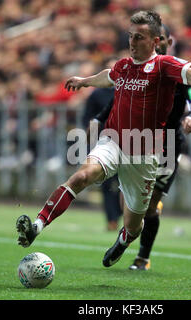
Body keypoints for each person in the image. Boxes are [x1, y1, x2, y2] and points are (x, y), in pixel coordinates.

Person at [15, 10, 191, 268]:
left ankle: (124, 240)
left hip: (145, 153)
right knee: (81, 176)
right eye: (131, 36)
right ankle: (37, 225)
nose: (132, 43)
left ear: (155, 41)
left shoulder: (165, 65)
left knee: (135, 224)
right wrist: (84, 81)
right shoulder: (124, 65)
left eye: (140, 38)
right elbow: (109, 76)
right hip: (112, 141)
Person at [87, 24, 191, 270]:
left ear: (165, 42)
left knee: (150, 207)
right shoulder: (137, 68)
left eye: (157, 40)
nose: (153, 44)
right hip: (136, 141)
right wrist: (99, 118)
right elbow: (119, 100)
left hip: (167, 145)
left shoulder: (180, 69)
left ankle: (143, 257)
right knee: (126, 202)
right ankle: (126, 235)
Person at [82, 59, 122, 231]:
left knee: (126, 183)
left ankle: (123, 215)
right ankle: (112, 219)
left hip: (129, 142)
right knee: (107, 183)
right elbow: (88, 117)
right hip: (105, 143)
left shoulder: (129, 91)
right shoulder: (97, 94)